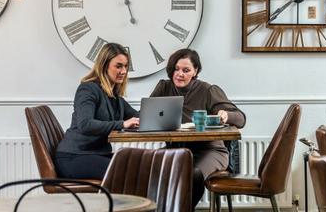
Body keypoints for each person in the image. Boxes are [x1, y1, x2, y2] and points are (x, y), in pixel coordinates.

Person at [150, 48, 246, 207]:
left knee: (193, 174)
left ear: (196, 71)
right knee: (146, 167)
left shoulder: (208, 90)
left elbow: (241, 118)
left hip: (209, 150)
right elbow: (147, 115)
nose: (180, 74)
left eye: (186, 70)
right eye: (176, 69)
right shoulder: (163, 87)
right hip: (175, 150)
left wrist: (226, 115)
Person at [55, 43, 139, 180]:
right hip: (74, 156)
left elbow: (136, 115)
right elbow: (86, 124)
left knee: (139, 166)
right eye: (118, 66)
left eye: (125, 66)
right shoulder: (88, 89)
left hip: (96, 154)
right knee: (126, 173)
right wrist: (122, 124)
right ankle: (120, 202)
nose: (123, 71)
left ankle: (139, 202)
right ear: (104, 65)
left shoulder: (114, 96)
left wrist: (158, 114)